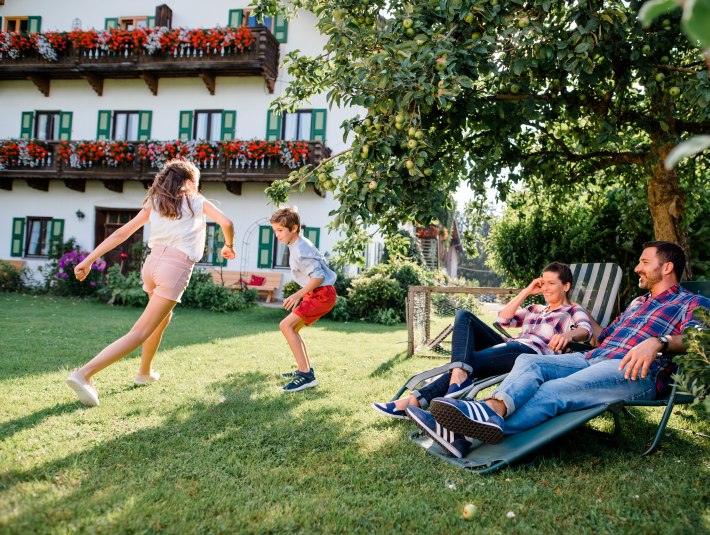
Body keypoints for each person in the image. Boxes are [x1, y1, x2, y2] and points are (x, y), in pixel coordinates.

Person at [409, 241, 710, 458]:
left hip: (634, 371)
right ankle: (490, 412)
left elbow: (702, 338)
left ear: (666, 267)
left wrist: (660, 342)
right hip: (594, 357)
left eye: (644, 262)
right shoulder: (636, 303)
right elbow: (601, 337)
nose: (636, 267)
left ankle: (463, 430)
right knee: (529, 361)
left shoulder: (690, 302)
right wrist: (582, 314)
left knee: (556, 390)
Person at [65, 160, 235, 407]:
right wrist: (229, 246)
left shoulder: (155, 203)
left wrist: (88, 260)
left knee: (161, 321)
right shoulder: (197, 202)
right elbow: (227, 223)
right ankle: (84, 374)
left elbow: (121, 233)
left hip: (152, 265)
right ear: (188, 182)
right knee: (140, 331)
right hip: (174, 268)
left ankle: (144, 373)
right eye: (196, 182)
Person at [372, 262, 593, 419]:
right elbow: (503, 319)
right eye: (542, 283)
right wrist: (526, 291)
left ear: (565, 286)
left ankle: (413, 401)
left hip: (529, 355)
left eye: (551, 283)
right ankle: (458, 377)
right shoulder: (536, 308)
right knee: (464, 317)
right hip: (510, 347)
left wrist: (567, 335)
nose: (545, 288)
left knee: (470, 363)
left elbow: (585, 330)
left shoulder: (573, 310)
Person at [271, 207, 337, 392]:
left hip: (322, 294)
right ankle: (305, 370)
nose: (277, 235)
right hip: (317, 293)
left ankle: (306, 375)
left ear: (294, 228)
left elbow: (318, 278)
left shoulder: (301, 248)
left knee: (286, 326)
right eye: (275, 230)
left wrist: (298, 295)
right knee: (291, 328)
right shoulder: (297, 244)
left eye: (280, 230)